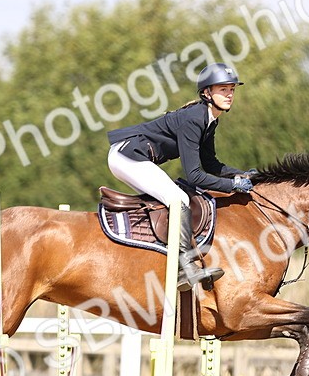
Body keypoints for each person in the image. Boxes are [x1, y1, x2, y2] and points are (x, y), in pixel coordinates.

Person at [106, 63, 256, 290]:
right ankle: (184, 268)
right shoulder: (194, 119)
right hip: (126, 155)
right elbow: (195, 176)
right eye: (223, 89)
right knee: (179, 199)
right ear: (207, 92)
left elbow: (211, 165)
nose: (229, 94)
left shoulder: (209, 120)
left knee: (174, 197)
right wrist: (232, 185)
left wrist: (243, 174)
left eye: (232, 89)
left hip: (130, 155)